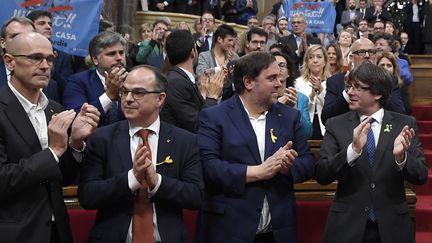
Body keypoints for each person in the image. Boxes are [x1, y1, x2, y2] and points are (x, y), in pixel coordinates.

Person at [195, 51, 315, 243]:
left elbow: (308, 163)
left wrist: (287, 167)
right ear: (248, 82)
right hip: (229, 231)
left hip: (277, 232)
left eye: (280, 76)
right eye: (272, 78)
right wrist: (258, 172)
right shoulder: (215, 116)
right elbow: (208, 167)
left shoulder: (288, 117)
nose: (280, 83)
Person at [79, 64, 204, 242]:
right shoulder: (101, 138)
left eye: (138, 93)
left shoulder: (185, 141)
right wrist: (132, 179)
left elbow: (196, 196)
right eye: (124, 92)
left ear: (160, 99)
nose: (128, 99)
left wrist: (157, 182)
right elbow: (88, 196)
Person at [0, 32, 100, 243]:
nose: (45, 65)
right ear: (9, 61)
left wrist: (75, 143)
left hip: (57, 230)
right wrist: (53, 151)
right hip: (13, 233)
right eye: (36, 58)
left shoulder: (54, 109)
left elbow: (61, 175)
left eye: (50, 59)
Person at [316, 62, 427, 243]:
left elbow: (421, 175)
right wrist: (352, 151)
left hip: (392, 227)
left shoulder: (404, 124)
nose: (350, 92)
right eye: (350, 86)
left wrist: (402, 158)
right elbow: (322, 174)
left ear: (377, 93)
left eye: (358, 87)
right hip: (347, 227)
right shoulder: (335, 124)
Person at [321, 38, 406, 125]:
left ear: (375, 56)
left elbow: (400, 113)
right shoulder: (335, 81)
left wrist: (380, 88)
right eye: (361, 52)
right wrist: (349, 90)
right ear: (351, 57)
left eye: (371, 52)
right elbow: (326, 118)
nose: (367, 56)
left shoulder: (389, 80)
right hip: (348, 134)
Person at [161, 29, 224, 133]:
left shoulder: (182, 78)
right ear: (193, 52)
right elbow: (198, 124)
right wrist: (212, 97)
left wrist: (203, 94)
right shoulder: (176, 83)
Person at [63, 31, 128, 127]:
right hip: (92, 139)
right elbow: (77, 119)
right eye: (111, 54)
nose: (119, 58)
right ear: (95, 59)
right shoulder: (78, 81)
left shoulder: (135, 80)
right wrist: (109, 96)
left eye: (121, 53)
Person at [0, 16, 60, 102]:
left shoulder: (50, 84)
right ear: (3, 42)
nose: (24, 41)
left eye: (30, 36)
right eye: (16, 37)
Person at [26, 10, 73, 99]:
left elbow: (67, 89)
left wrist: (51, 66)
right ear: (30, 27)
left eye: (50, 24)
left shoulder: (63, 57)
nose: (48, 27)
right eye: (41, 23)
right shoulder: (23, 52)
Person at [273, 51, 313, 139]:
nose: (278, 69)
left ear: (289, 73)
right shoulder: (263, 96)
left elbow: (307, 133)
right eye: (274, 65)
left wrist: (294, 110)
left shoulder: (301, 98)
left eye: (282, 65)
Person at [295, 44, 331, 139]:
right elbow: (298, 110)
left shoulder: (332, 82)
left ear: (325, 62)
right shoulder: (298, 83)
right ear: (307, 61)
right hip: (305, 127)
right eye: (311, 57)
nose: (315, 60)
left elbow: (333, 108)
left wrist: (321, 90)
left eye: (319, 57)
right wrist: (311, 97)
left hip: (326, 128)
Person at [279, 13, 321, 79]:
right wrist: (298, 52)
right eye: (293, 23)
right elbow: (285, 60)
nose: (296, 25)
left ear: (305, 25)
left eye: (299, 22)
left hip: (311, 75)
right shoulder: (285, 41)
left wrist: (307, 50)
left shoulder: (315, 41)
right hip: (292, 76)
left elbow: (319, 59)